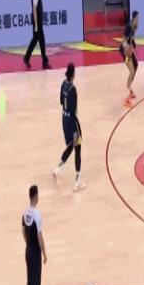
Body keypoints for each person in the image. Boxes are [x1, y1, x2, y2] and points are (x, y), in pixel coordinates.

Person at [53, 63, 86, 192]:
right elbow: (75, 109)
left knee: (71, 146)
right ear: (73, 74)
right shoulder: (73, 89)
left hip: (64, 120)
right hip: (72, 122)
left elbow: (61, 101)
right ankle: (77, 182)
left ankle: (58, 168)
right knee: (77, 148)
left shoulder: (63, 84)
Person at [22, 185, 47, 285]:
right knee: (36, 284)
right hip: (35, 253)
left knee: (30, 282)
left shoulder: (25, 212)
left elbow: (23, 230)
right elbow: (39, 236)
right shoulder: (37, 214)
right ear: (36, 196)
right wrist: (44, 253)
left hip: (28, 250)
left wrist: (28, 243)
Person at [24, 0, 50, 69]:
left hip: (38, 21)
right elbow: (34, 9)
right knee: (40, 40)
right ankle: (44, 61)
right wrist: (35, 25)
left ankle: (27, 58)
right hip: (37, 21)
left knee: (36, 40)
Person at [120, 12, 139, 107]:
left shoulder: (135, 26)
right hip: (125, 51)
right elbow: (123, 41)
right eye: (137, 18)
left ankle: (130, 87)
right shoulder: (128, 27)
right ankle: (128, 92)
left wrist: (133, 46)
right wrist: (127, 51)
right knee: (132, 70)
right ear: (134, 18)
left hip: (129, 50)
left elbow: (131, 38)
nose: (138, 20)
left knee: (136, 65)